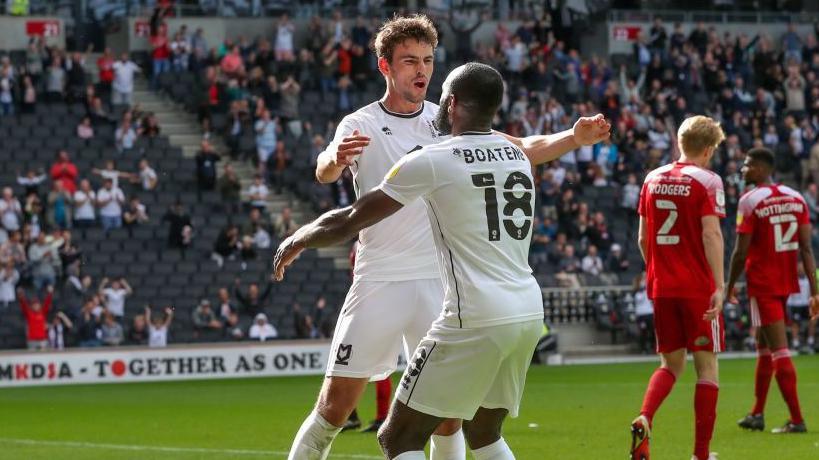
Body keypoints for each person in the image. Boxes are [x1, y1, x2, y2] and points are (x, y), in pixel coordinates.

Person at [284, 15, 609, 460]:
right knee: (335, 407)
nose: (421, 70)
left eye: (428, 60)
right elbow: (325, 172)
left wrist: (572, 137)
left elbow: (521, 145)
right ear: (385, 67)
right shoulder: (359, 122)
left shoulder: (446, 125)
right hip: (380, 277)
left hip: (441, 285)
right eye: (409, 61)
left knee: (447, 416)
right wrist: (333, 160)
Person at [630, 116, 727, 460]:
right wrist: (719, 285)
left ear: (680, 143)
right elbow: (711, 234)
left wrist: (658, 270)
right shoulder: (708, 181)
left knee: (670, 365)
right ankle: (701, 454)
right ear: (709, 148)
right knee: (707, 367)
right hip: (697, 288)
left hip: (662, 286)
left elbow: (643, 238)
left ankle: (645, 416)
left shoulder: (651, 179)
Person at [726, 148, 818, 434]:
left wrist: (728, 287)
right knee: (763, 346)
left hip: (763, 284)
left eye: (747, 165)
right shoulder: (796, 197)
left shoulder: (749, 201)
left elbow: (740, 253)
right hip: (787, 282)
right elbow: (806, 249)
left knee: (778, 350)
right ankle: (757, 414)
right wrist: (815, 291)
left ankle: (797, 419)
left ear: (761, 168)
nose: (743, 170)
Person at [18, 286, 53, 350]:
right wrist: (21, 297)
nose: (36, 306)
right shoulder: (29, 314)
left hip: (42, 339)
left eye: (37, 304)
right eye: (34, 305)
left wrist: (50, 293)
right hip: (32, 340)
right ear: (31, 306)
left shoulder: (42, 312)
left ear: (39, 305)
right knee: (32, 358)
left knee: (44, 357)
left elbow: (47, 303)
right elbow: (24, 305)